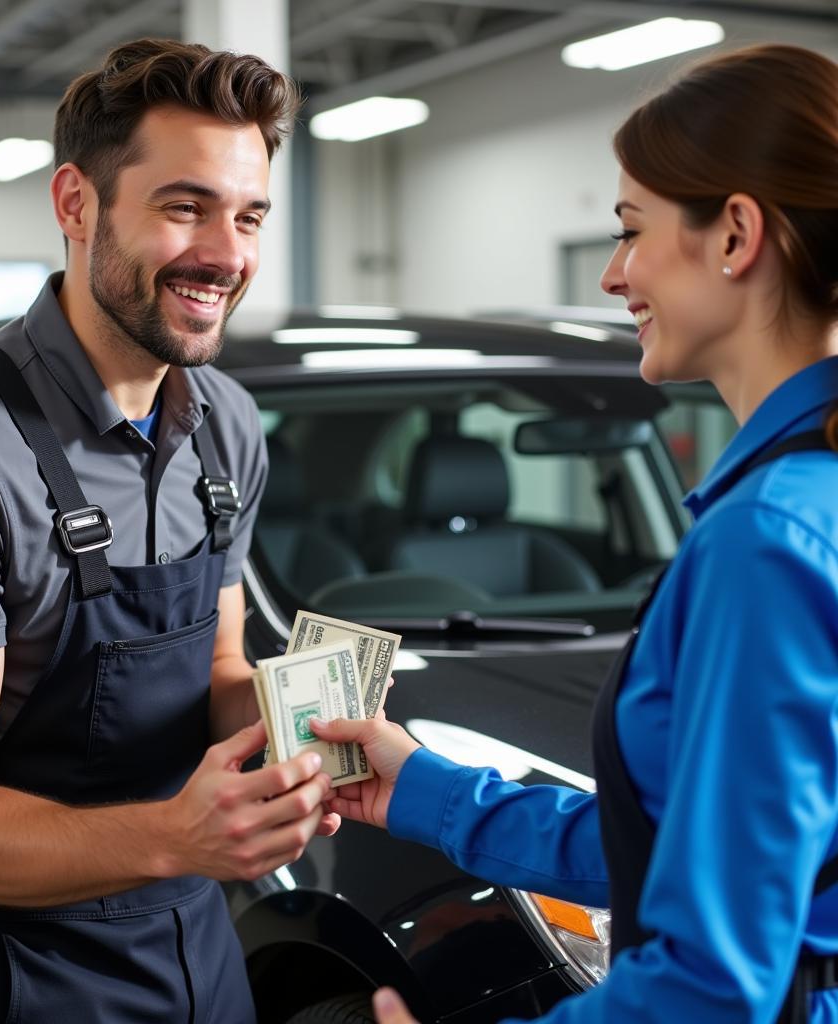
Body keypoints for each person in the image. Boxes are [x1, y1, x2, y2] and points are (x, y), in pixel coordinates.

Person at [313, 43, 838, 1024]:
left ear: (734, 234)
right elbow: (682, 844)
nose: (610, 273)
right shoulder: (801, 504)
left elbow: (710, 988)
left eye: (631, 230)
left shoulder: (764, 541)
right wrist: (425, 790)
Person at [0, 38, 338, 1024]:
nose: (226, 255)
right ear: (75, 204)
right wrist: (179, 838)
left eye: (249, 216)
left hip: (200, 951)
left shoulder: (225, 421)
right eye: (184, 206)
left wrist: (300, 730)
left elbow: (220, 666)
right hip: (22, 979)